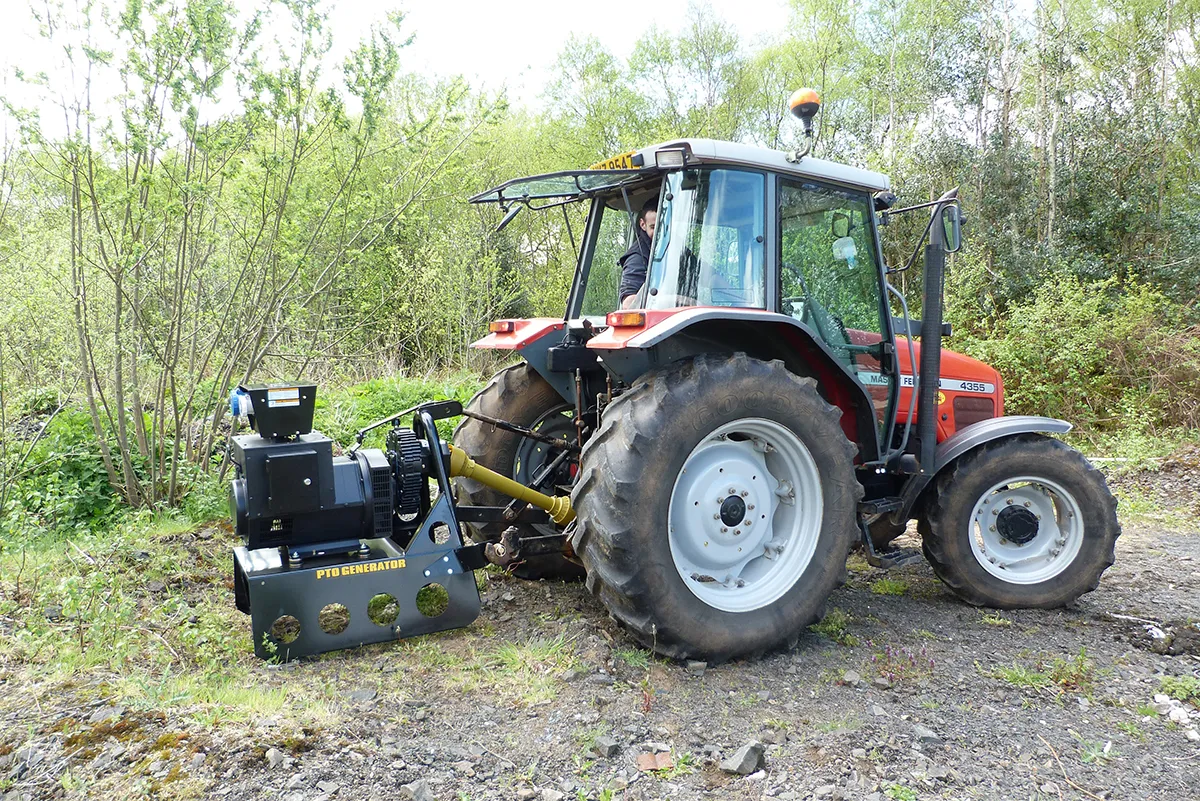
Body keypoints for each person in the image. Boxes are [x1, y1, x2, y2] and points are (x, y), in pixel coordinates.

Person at [617, 198, 657, 309]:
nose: (659, 231)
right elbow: (629, 304)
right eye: (653, 227)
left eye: (664, 226)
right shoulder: (637, 257)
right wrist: (674, 299)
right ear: (643, 224)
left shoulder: (673, 247)